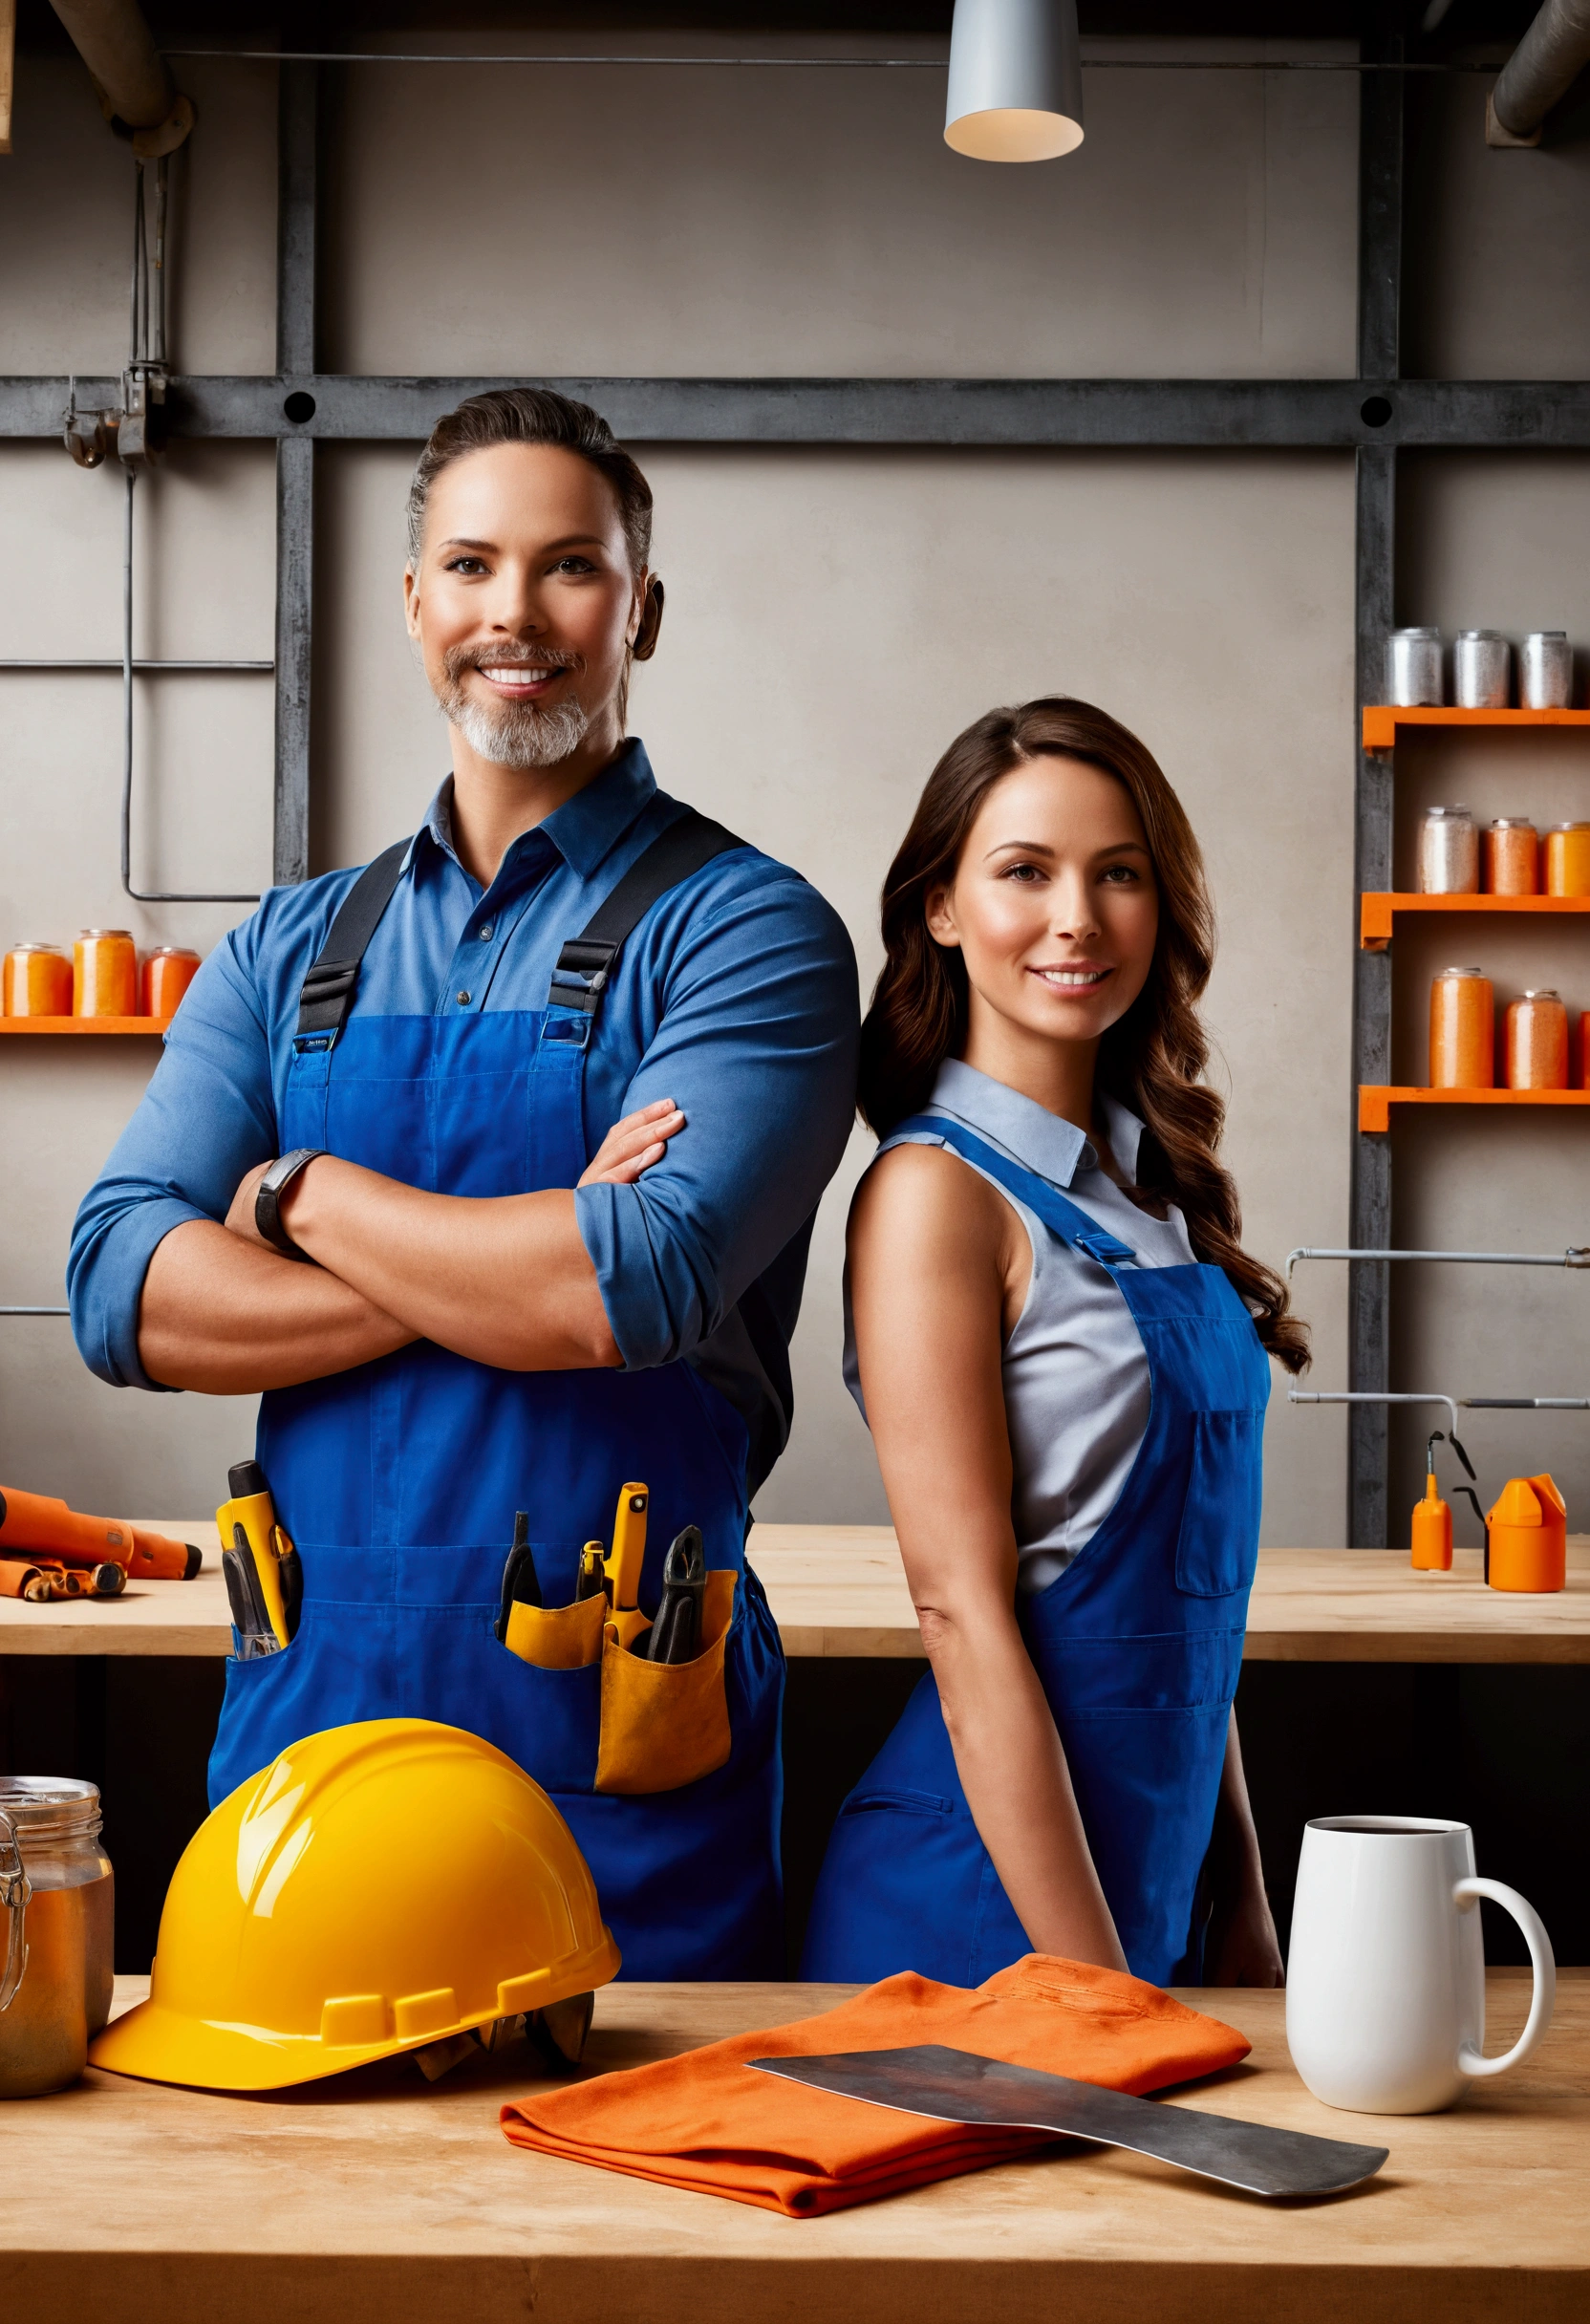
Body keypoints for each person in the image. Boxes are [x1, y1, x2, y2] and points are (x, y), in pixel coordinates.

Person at [69, 389, 859, 1980]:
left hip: (612, 1763)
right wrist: (521, 1265)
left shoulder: (750, 934)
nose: (517, 613)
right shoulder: (286, 949)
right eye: (474, 565)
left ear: (642, 606)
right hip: (315, 1744)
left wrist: (290, 1193)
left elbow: (620, 1287)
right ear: (413, 600)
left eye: (572, 567)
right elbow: (118, 1290)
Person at [801, 698, 1305, 1990]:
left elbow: (1192, 1620)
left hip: (1157, 1904)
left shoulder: (1152, 1199)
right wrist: (1102, 2000)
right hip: (981, 1921)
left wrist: (1241, 1905)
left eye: (1118, 874)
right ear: (942, 908)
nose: (1078, 917)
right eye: (1024, 872)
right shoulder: (934, 1198)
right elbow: (960, 1611)